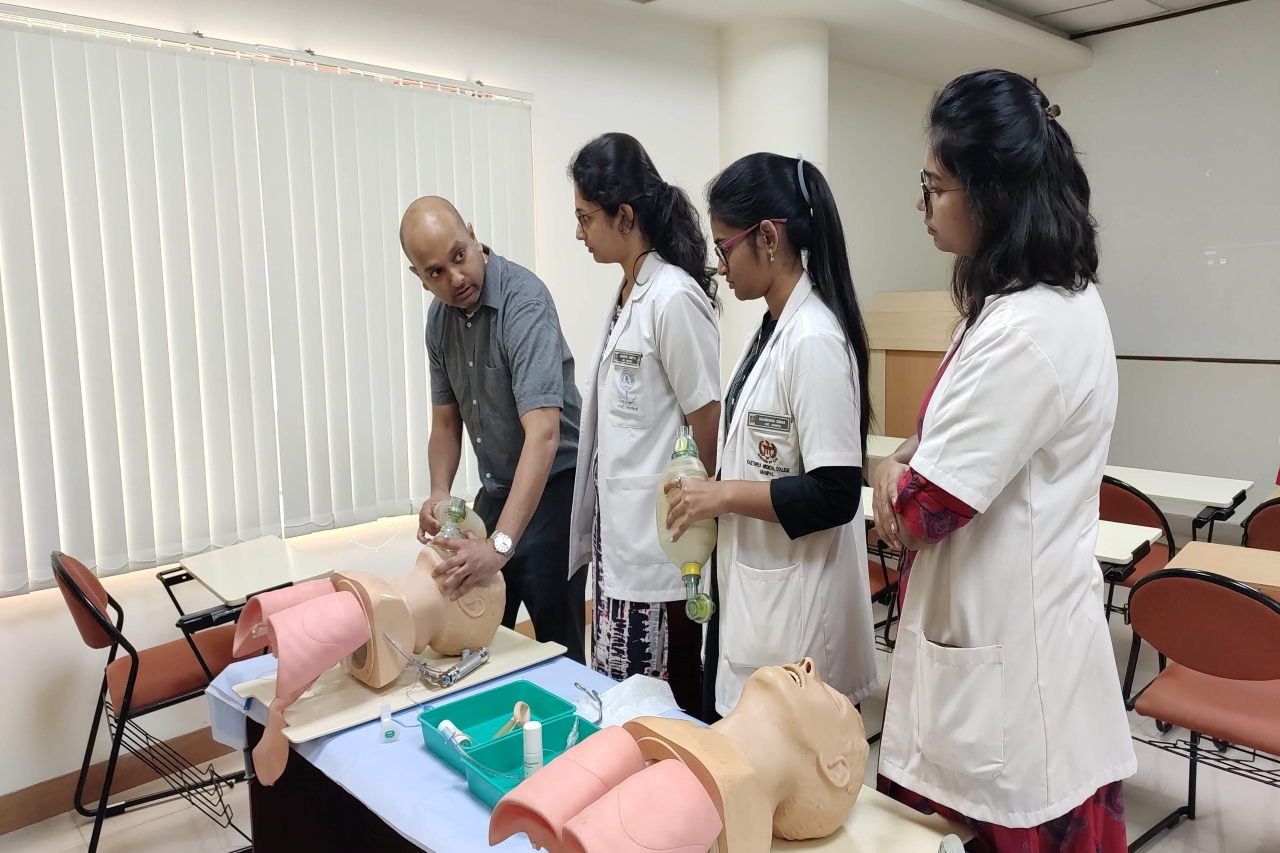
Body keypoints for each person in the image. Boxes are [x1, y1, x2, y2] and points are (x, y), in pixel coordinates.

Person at [871, 70, 1134, 852]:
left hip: (1014, 680)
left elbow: (919, 510)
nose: (922, 204)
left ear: (991, 196)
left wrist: (888, 475)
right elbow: (931, 442)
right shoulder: (1031, 304)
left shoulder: (1026, 329)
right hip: (1007, 644)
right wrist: (906, 460)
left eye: (934, 186)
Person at [664, 153, 879, 721]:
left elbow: (836, 493)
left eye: (724, 247)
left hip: (797, 622)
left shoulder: (813, 340)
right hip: (758, 601)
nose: (719, 266)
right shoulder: (770, 329)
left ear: (767, 237)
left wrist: (723, 495)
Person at [566, 133, 721, 712]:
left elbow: (707, 417)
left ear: (624, 216)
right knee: (620, 699)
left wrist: (691, 510)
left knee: (662, 707)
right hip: (620, 541)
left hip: (661, 545)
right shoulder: (632, 289)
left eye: (586, 218)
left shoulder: (672, 297)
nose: (579, 233)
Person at [402, 196, 587, 663]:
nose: (455, 278)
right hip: (499, 488)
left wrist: (499, 545)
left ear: (471, 233)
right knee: (472, 632)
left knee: (558, 649)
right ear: (419, 277)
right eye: (436, 272)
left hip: (558, 486)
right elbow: (446, 422)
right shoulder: (439, 322)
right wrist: (439, 492)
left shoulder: (524, 301)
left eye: (459, 256)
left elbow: (543, 434)